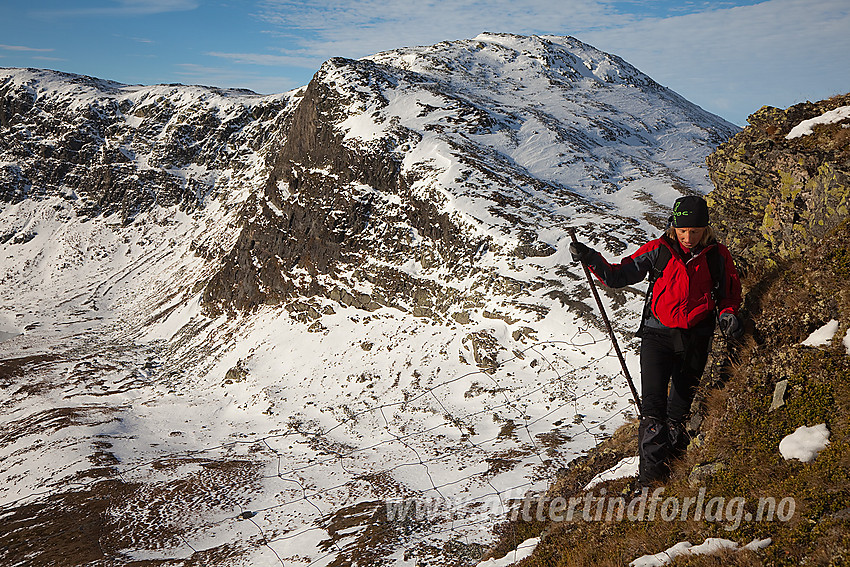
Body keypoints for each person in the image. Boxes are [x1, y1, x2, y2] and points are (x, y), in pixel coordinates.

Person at [569, 195, 743, 487]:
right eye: (683, 230)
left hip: (697, 337)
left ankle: (670, 475)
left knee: (679, 411)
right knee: (653, 411)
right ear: (673, 226)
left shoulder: (717, 255)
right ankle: (648, 484)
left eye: (696, 231)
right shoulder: (658, 251)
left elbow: (729, 293)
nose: (688, 237)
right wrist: (591, 258)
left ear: (706, 229)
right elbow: (617, 276)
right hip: (656, 336)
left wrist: (728, 314)